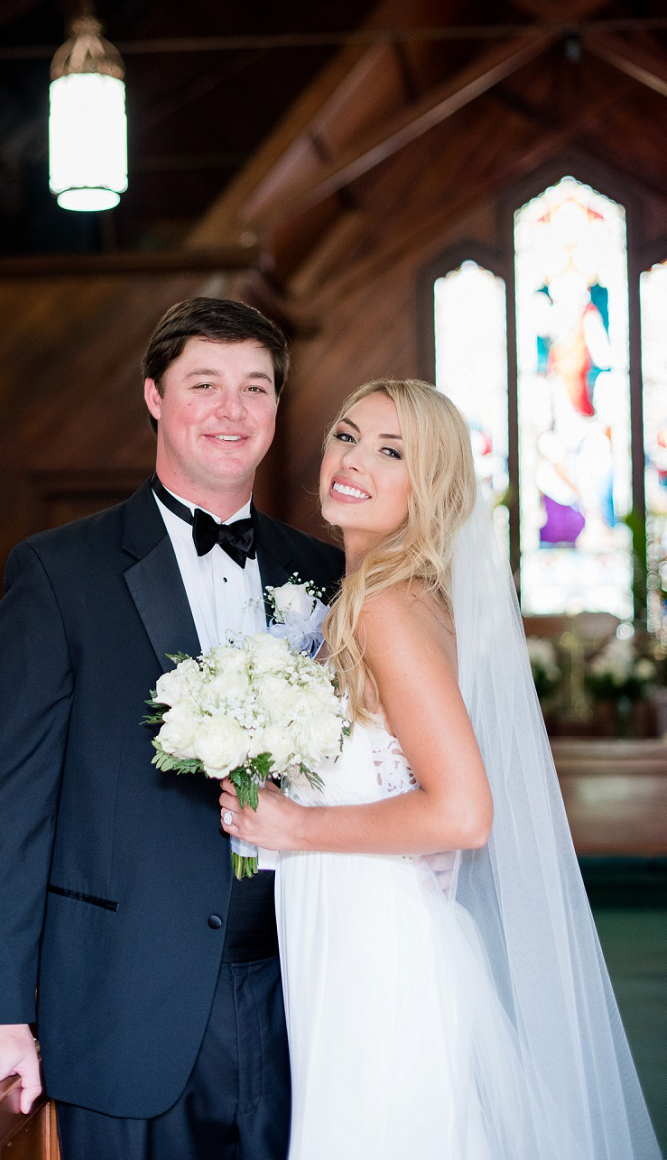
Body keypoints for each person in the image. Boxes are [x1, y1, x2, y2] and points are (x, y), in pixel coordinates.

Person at [219, 378, 661, 1160]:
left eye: (392, 451)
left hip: (380, 948)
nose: (352, 460)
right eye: (347, 435)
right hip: (345, 930)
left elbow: (464, 812)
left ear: (431, 488)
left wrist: (294, 823)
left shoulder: (387, 606)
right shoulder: (360, 597)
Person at [0, 297, 344, 1160]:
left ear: (278, 410)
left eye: (256, 387)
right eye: (204, 383)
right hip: (121, 994)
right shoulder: (57, 571)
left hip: (304, 992)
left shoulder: (325, 573)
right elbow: (10, 807)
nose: (232, 409)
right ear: (154, 397)